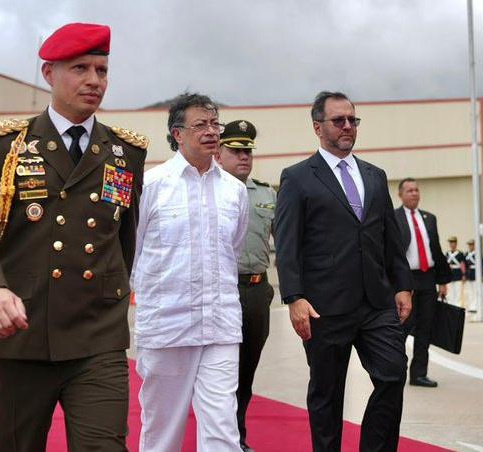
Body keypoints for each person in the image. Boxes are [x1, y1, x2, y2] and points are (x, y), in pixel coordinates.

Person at [0, 23, 147, 451]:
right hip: (18, 333)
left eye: (102, 70)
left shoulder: (124, 152)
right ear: (49, 73)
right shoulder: (5, 145)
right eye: (80, 68)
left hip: (98, 335)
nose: (95, 80)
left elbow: (123, 238)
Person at [274, 91, 413, 452]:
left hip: (376, 303)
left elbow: (390, 239)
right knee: (327, 394)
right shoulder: (298, 178)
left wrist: (403, 286)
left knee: (393, 373)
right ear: (318, 127)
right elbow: (287, 243)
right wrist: (294, 297)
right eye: (339, 121)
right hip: (324, 307)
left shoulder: (375, 175)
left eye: (353, 120)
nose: (348, 126)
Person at [133, 93, 247, 451]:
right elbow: (131, 254)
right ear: (177, 133)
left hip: (220, 325)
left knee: (223, 428)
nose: (212, 131)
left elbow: (234, 249)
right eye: (201, 124)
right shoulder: (151, 186)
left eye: (216, 124)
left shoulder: (235, 191)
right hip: (167, 327)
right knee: (162, 429)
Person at [214, 119, 275, 451]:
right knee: (218, 372)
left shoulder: (265, 193)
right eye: (236, 151)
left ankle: (237, 436)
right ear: (219, 154)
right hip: (222, 291)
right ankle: (218, 434)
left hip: (255, 292)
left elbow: (288, 243)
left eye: (248, 152)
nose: (244, 157)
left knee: (246, 370)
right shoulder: (209, 190)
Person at [395, 178, 451, 388]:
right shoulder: (393, 217)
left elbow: (435, 249)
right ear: (400, 195)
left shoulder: (429, 218)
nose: (414, 193)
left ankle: (419, 374)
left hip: (428, 278)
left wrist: (443, 280)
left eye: (416, 190)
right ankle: (396, 370)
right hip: (405, 280)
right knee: (402, 328)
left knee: (425, 328)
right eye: (409, 190)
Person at [445, 237, 466, 307]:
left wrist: (464, 275)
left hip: (458, 274)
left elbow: (465, 264)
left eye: (453, 243)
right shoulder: (447, 254)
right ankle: (451, 306)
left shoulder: (460, 254)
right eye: (450, 243)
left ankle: (457, 307)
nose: (451, 244)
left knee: (458, 293)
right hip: (449, 275)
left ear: (456, 243)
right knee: (450, 293)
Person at [464, 239, 481, 315]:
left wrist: (482, 274)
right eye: (469, 245)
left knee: (475, 291)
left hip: (475, 274)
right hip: (469, 274)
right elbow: (465, 265)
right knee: (470, 291)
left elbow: (482, 264)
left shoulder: (477, 254)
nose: (470, 246)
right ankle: (471, 306)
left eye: (472, 245)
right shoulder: (466, 254)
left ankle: (476, 306)